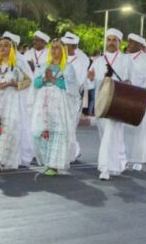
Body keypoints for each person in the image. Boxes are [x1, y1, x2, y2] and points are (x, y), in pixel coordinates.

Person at [86, 28, 133, 180]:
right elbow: (89, 83)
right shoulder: (98, 61)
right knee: (108, 135)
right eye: (109, 39)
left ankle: (104, 168)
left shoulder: (126, 60)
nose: (111, 42)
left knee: (110, 133)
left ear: (120, 42)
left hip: (117, 103)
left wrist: (127, 83)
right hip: (101, 103)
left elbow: (132, 82)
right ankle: (117, 164)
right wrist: (90, 79)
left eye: (114, 40)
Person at [0, 36, 33, 171]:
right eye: (0, 45)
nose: (2, 48)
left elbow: (29, 81)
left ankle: (1, 159)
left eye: (6, 45)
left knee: (9, 129)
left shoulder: (18, 64)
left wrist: (15, 84)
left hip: (12, 102)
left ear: (11, 48)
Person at [31, 39, 76, 176]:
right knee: (39, 132)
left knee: (57, 132)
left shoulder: (68, 67)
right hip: (43, 103)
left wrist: (54, 80)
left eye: (57, 48)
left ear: (62, 50)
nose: (54, 50)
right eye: (52, 47)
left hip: (59, 105)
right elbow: (36, 83)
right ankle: (47, 161)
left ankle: (54, 165)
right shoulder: (44, 66)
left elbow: (72, 87)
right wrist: (44, 79)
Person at [124, 33, 146, 166]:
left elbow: (145, 79)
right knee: (124, 129)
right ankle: (124, 157)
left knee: (139, 129)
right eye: (128, 41)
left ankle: (138, 159)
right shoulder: (124, 57)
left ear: (139, 45)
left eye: (131, 42)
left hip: (139, 96)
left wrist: (131, 82)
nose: (128, 44)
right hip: (124, 97)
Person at [62, 33, 89, 163]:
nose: (63, 47)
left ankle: (70, 153)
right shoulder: (60, 58)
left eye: (65, 45)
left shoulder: (80, 61)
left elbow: (79, 81)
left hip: (73, 99)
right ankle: (70, 151)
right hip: (59, 96)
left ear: (73, 46)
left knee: (70, 126)